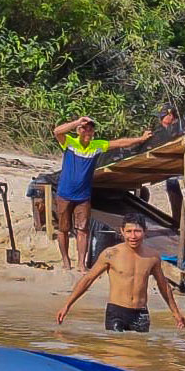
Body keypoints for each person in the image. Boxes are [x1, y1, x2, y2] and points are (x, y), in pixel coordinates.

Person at [53, 116, 151, 273]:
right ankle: (65, 261)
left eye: (90, 129)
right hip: (64, 194)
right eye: (85, 128)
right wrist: (77, 122)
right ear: (78, 130)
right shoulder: (70, 143)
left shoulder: (96, 146)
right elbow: (57, 131)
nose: (87, 131)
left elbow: (119, 143)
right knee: (63, 229)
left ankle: (81, 264)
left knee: (83, 229)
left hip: (83, 196)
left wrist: (141, 139)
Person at [56, 214, 185, 332]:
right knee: (116, 352)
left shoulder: (152, 257)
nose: (133, 236)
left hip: (141, 313)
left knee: (140, 354)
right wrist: (67, 305)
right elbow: (88, 279)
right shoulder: (111, 254)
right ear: (122, 232)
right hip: (117, 312)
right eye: (129, 231)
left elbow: (163, 285)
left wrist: (176, 313)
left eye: (137, 231)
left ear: (145, 232)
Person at [158, 103, 185, 228]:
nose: (161, 121)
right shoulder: (163, 131)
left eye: (162, 117)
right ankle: (177, 233)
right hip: (171, 176)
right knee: (175, 208)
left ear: (170, 115)